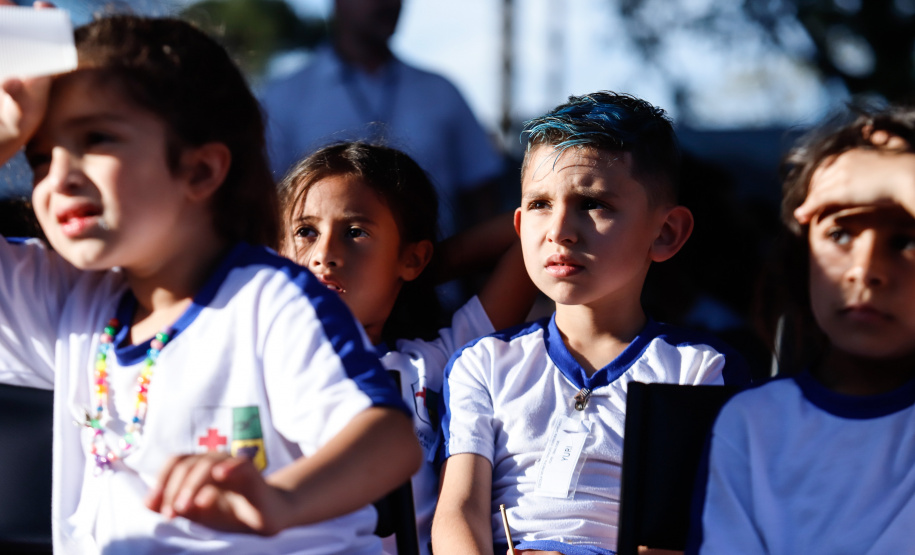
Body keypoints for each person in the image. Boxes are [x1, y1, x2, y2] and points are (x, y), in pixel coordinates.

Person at [0, 13, 421, 553]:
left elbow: (389, 442)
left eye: (96, 138)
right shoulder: (71, 299)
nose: (59, 177)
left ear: (200, 171)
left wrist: (278, 501)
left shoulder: (270, 303)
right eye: (37, 158)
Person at [432, 91, 751, 555]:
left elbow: (681, 537)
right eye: (540, 204)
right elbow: (457, 511)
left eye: (594, 204)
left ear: (665, 233)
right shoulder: (483, 363)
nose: (560, 229)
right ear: (519, 227)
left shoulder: (698, 370)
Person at [277, 141, 537, 555]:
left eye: (356, 233)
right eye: (305, 232)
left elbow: (532, 232)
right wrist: (389, 270)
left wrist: (417, 274)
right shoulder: (253, 362)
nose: (324, 255)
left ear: (413, 258)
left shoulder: (441, 360)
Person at [687, 105, 915, 554]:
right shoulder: (753, 422)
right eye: (841, 234)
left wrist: (900, 176)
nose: (866, 271)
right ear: (801, 253)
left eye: (906, 240)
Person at [260, 0, 505, 238]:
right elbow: (263, 202)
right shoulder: (284, 97)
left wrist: (472, 274)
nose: (390, 3)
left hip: (435, 277)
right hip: (320, 277)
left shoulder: (441, 92)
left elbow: (482, 197)